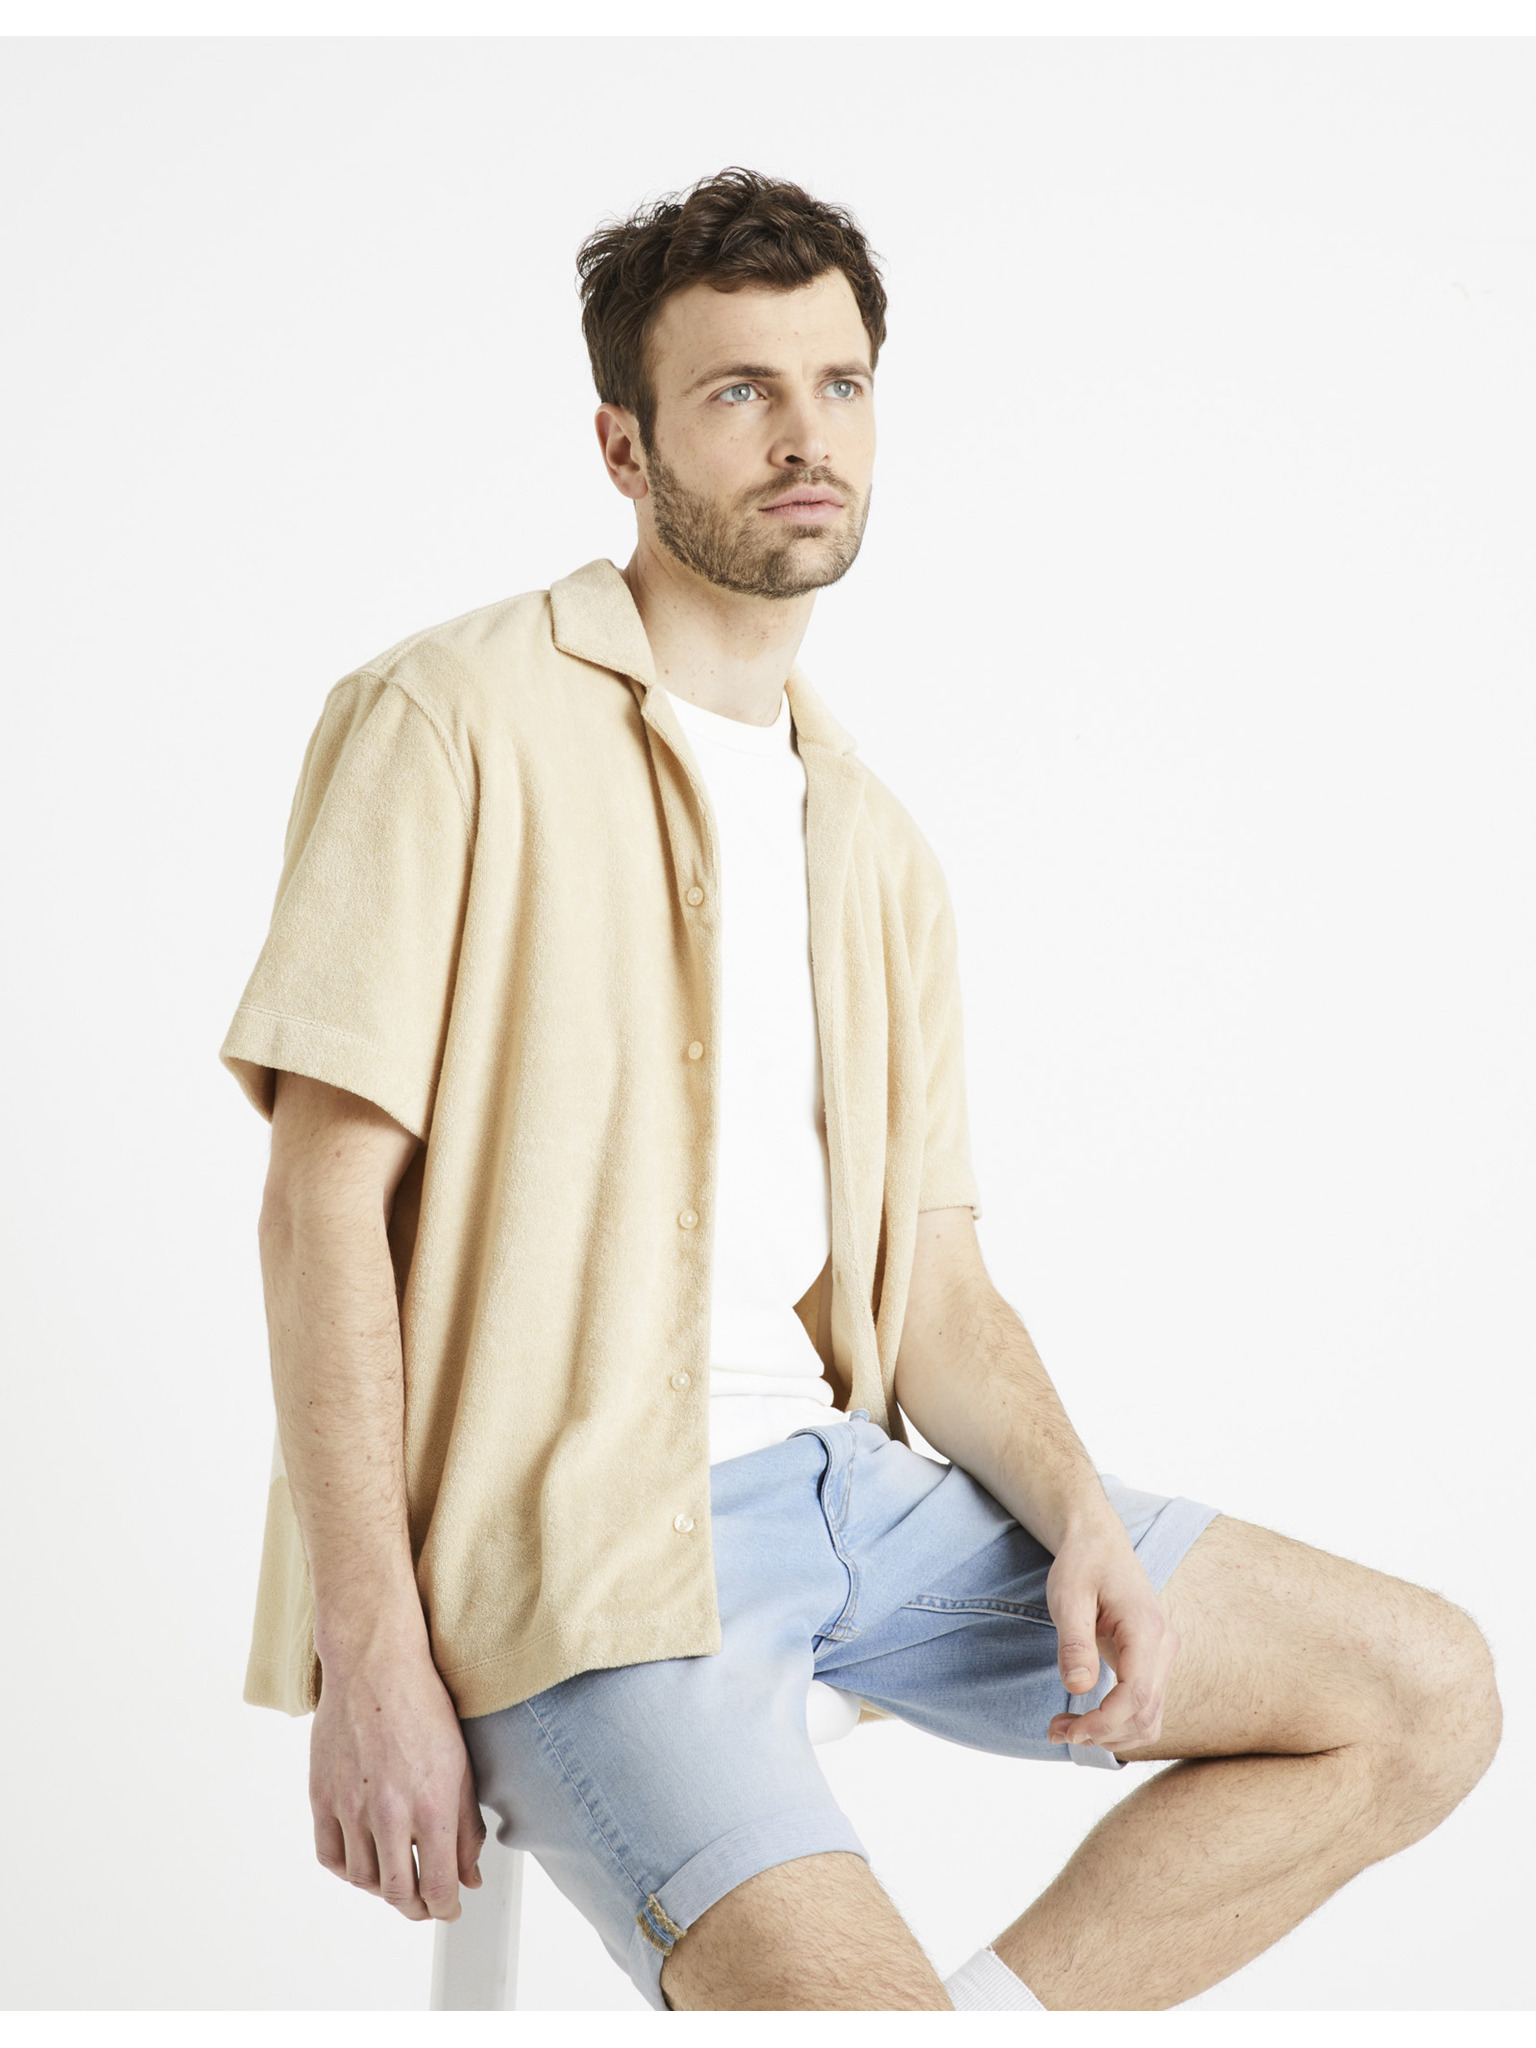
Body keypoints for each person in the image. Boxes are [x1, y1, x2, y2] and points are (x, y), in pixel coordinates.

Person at [222, 167, 1501, 2014]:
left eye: (839, 384)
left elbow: (939, 1284)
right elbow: (320, 1206)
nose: (804, 435)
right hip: (574, 1559)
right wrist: (371, 1654)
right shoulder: (453, 719)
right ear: (625, 444)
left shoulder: (876, 847)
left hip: (853, 1498)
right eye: (740, 390)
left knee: (1425, 1694)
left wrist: (1078, 1514)